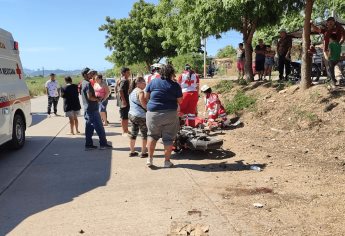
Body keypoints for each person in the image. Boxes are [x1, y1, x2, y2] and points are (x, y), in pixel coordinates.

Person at [145, 64, 183, 168]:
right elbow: (180, 101)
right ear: (172, 73)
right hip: (170, 113)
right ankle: (167, 162)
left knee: (152, 135)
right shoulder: (175, 85)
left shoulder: (153, 82)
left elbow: (146, 96)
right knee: (168, 138)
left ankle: (150, 159)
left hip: (153, 113)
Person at [80, 67, 112, 150]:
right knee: (99, 127)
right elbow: (90, 97)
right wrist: (97, 99)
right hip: (92, 109)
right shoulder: (87, 84)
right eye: (90, 73)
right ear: (85, 74)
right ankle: (103, 144)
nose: (92, 74)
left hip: (88, 109)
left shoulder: (83, 83)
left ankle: (89, 145)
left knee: (89, 128)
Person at [311, 17, 345, 82]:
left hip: (334, 49)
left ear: (334, 23)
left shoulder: (339, 29)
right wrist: (311, 24)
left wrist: (338, 45)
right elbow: (316, 29)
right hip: (326, 50)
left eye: (331, 22)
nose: (330, 24)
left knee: (334, 63)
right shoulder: (325, 30)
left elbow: (343, 37)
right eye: (328, 23)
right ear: (327, 23)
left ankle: (339, 78)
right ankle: (332, 78)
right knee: (328, 64)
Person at [128, 77, 148, 157]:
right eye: (144, 82)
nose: (145, 84)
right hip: (141, 116)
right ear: (139, 83)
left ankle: (132, 151)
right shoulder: (140, 92)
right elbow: (144, 105)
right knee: (144, 134)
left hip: (132, 115)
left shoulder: (132, 91)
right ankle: (143, 152)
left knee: (133, 133)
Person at [118, 67, 131, 136]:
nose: (129, 74)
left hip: (125, 100)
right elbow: (120, 90)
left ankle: (126, 130)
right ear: (123, 73)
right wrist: (123, 100)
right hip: (124, 101)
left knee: (126, 116)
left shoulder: (123, 80)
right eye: (128, 72)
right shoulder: (124, 81)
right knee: (124, 116)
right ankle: (124, 131)